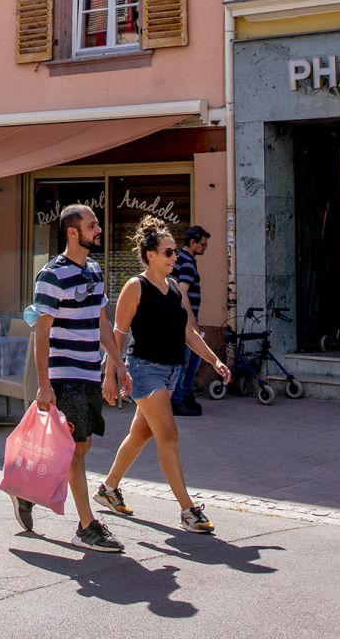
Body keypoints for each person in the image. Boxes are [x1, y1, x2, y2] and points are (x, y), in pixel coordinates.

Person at [94, 228, 231, 533]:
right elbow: (118, 333)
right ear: (151, 255)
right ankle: (188, 509)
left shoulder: (172, 287)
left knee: (141, 434)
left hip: (172, 371)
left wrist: (215, 360)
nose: (175, 257)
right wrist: (111, 375)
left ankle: (108, 488)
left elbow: (189, 333)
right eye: (169, 252)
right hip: (145, 369)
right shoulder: (136, 286)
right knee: (168, 438)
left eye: (176, 252)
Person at [15, 204, 131, 553]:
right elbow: (41, 333)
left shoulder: (94, 270)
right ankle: (87, 525)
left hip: (89, 372)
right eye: (92, 225)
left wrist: (118, 364)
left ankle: (25, 491)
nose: (98, 230)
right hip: (64, 374)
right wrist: (44, 383)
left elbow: (102, 321)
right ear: (72, 232)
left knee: (79, 446)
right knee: (77, 449)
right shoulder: (51, 275)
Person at [169, 225, 208, 415]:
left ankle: (185, 395)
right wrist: (192, 323)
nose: (204, 247)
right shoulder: (186, 262)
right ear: (192, 242)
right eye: (202, 244)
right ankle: (178, 400)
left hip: (179, 319)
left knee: (190, 359)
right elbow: (183, 293)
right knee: (185, 361)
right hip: (183, 320)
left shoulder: (182, 259)